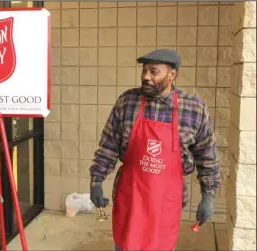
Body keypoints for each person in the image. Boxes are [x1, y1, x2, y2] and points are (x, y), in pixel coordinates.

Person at [90, 49, 221, 251]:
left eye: (154, 72)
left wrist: (209, 196)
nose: (146, 77)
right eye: (144, 71)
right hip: (130, 199)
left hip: (166, 203)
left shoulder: (193, 109)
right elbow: (108, 145)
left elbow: (207, 157)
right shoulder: (127, 102)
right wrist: (96, 180)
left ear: (172, 75)